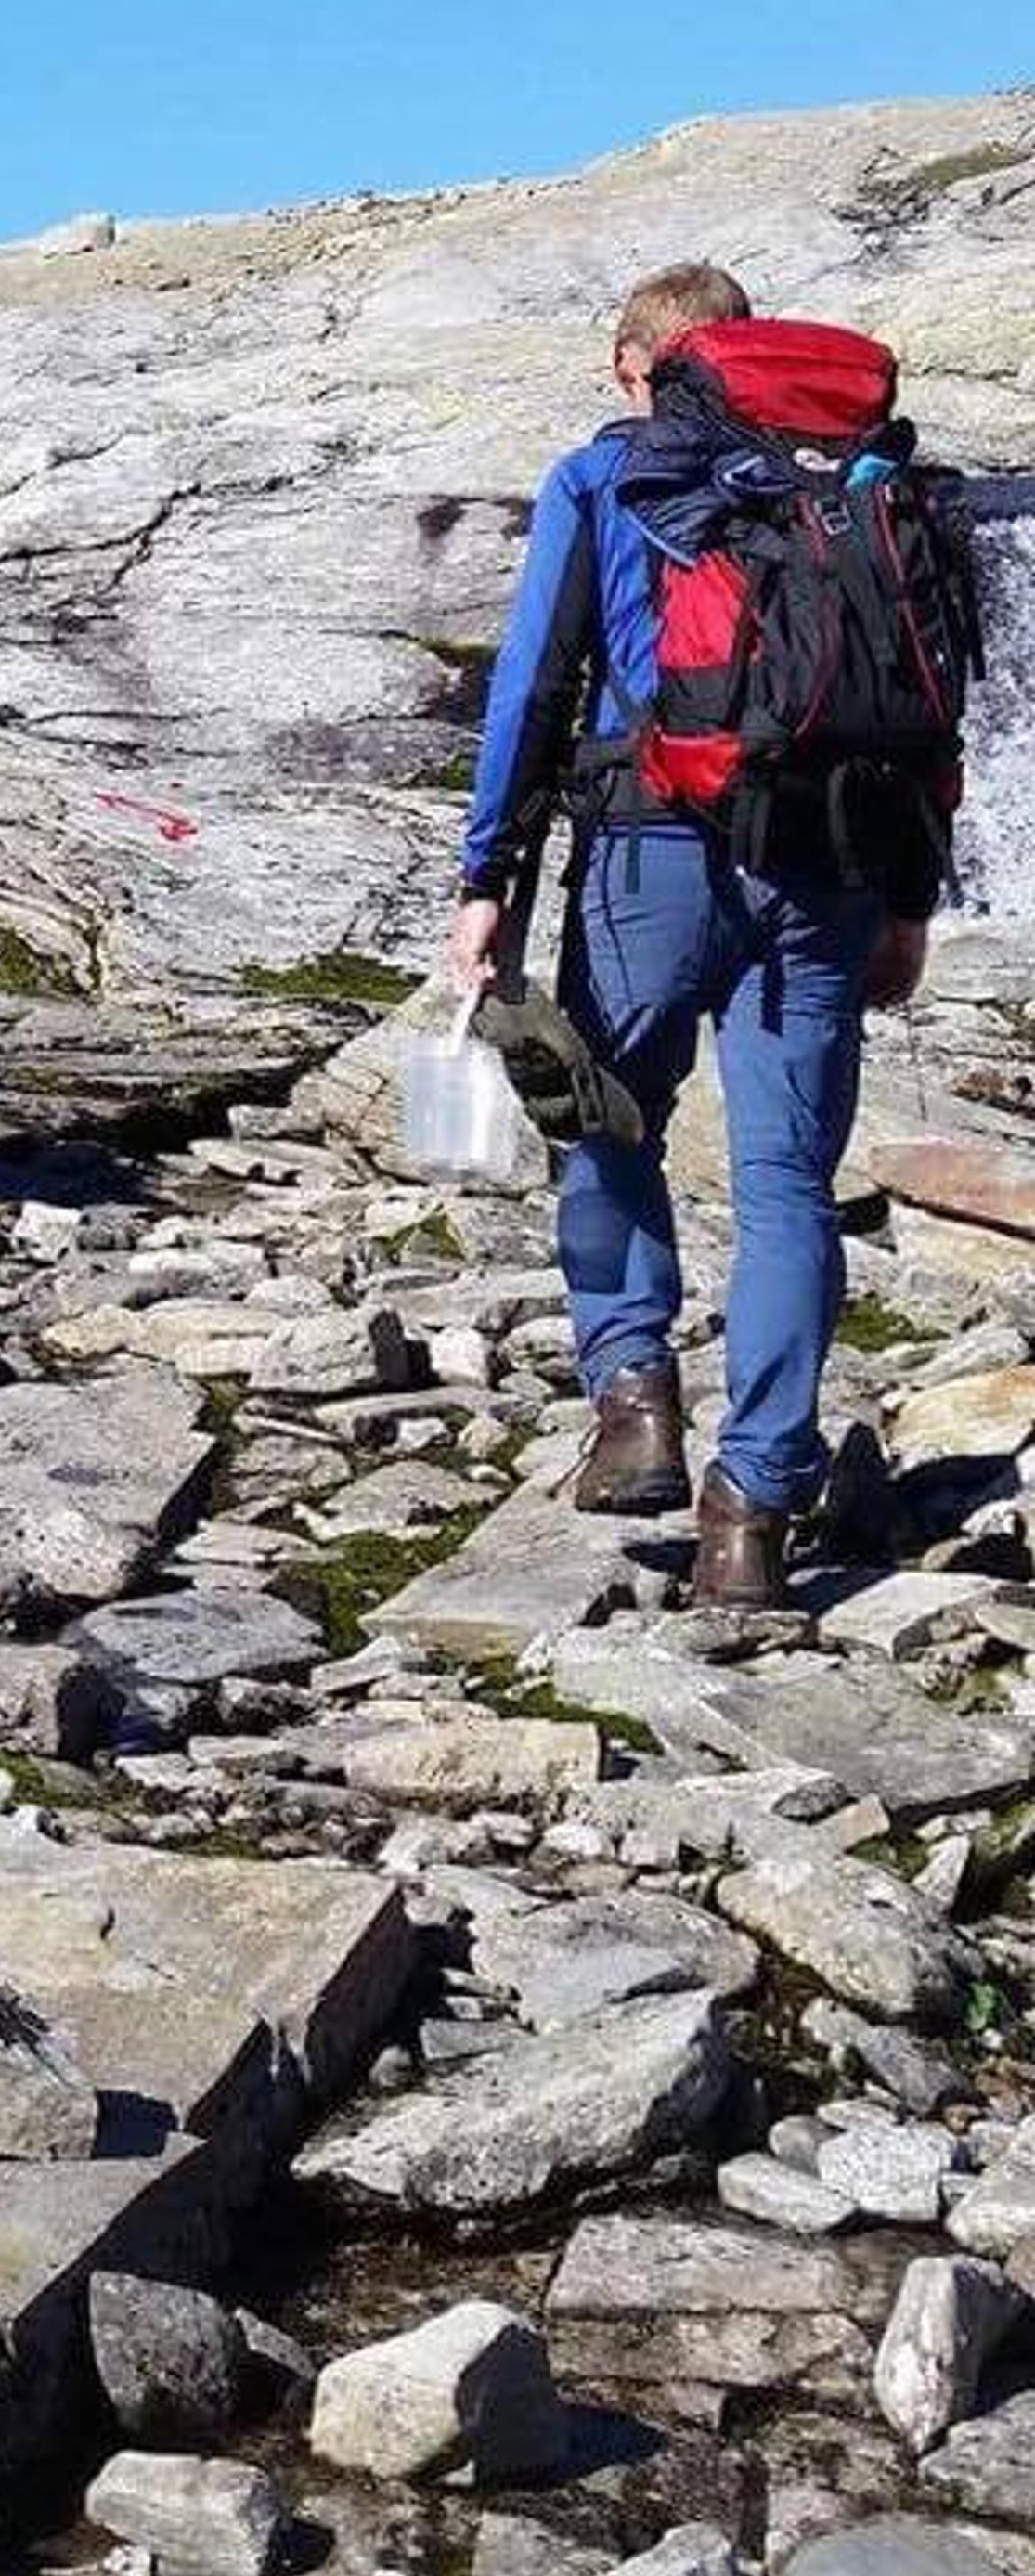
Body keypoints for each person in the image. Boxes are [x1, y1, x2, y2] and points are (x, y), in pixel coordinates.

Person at [449, 257, 931, 1623]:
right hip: (833, 865)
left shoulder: (603, 476)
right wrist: (909, 899)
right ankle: (752, 1514)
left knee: (604, 1118)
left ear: (632, 364)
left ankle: (636, 1401)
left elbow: (536, 680)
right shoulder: (861, 483)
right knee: (788, 1187)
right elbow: (921, 704)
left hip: (653, 853)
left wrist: (488, 870)